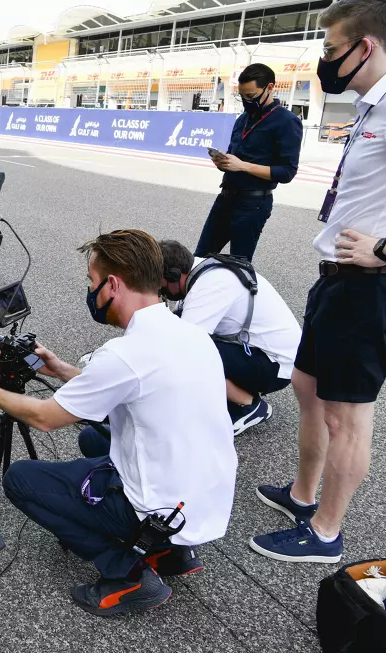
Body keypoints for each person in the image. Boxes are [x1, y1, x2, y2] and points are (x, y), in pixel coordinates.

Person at [0, 230, 236, 616]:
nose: (90, 290)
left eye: (91, 282)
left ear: (113, 284)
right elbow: (127, 384)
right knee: (93, 440)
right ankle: (172, 551)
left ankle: (128, 575)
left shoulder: (125, 353)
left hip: (160, 507)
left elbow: (44, 418)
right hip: (204, 499)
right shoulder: (191, 335)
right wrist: (63, 369)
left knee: (21, 479)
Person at [250, 0, 386, 565]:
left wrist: (384, 250)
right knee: (307, 389)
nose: (324, 61)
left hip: (367, 287)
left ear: (367, 47)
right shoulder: (369, 108)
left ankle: (326, 533)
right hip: (334, 279)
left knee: (345, 414)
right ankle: (304, 497)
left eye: (331, 50)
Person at [159, 240, 301, 435]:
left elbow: (184, 345)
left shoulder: (211, 286)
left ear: (174, 274)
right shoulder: (201, 268)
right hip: (263, 352)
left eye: (159, 284)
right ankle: (228, 393)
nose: (159, 290)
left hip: (274, 366)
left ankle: (249, 405)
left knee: (190, 354)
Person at [196, 63, 303, 261]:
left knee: (239, 266)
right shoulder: (242, 119)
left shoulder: (287, 121)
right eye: (242, 96)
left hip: (254, 204)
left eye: (251, 96)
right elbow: (233, 155)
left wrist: (242, 166)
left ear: (270, 88)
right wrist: (224, 162)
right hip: (226, 198)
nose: (246, 101)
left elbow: (287, 172)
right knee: (201, 258)